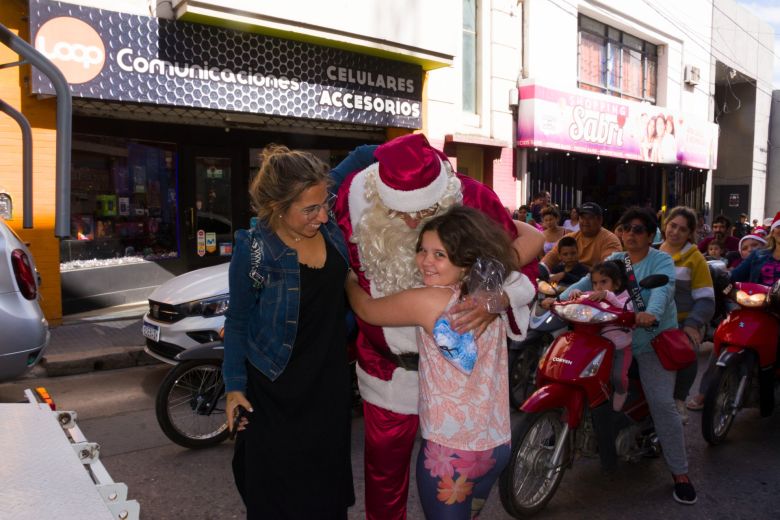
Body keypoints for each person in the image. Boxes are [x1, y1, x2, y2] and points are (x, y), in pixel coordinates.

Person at [330, 133, 542, 520]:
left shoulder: (433, 295)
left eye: (438, 254)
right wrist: (499, 295)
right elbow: (530, 240)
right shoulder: (478, 281)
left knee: (439, 495)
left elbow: (366, 307)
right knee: (389, 479)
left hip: (449, 446)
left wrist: (500, 300)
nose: (412, 221)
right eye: (400, 213)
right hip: (397, 379)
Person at [223, 145, 354, 519]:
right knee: (276, 499)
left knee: (326, 497)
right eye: (310, 209)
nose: (323, 215)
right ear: (278, 207)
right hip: (274, 391)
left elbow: (361, 155)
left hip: (327, 386)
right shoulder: (255, 250)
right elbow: (237, 321)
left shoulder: (329, 232)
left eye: (324, 203)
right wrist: (234, 387)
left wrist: (424, 161)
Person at [561, 206, 697, 505]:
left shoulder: (661, 260)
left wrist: (650, 314)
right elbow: (586, 284)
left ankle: (680, 473)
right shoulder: (614, 260)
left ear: (650, 235)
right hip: (611, 338)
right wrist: (556, 298)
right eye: (625, 228)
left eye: (638, 229)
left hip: (650, 340)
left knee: (662, 405)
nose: (630, 234)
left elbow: (664, 290)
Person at [687, 212, 780, 411]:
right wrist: (720, 276)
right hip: (753, 307)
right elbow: (735, 276)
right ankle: (705, 393)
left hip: (777, 312)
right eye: (778, 228)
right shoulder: (759, 255)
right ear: (773, 232)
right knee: (724, 340)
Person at [658, 206, 714, 425]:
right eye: (673, 226)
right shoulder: (652, 251)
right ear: (665, 225)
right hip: (652, 319)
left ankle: (679, 399)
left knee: (687, 351)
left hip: (682, 321)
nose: (675, 232)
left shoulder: (695, 259)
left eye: (682, 229)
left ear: (689, 233)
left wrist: (692, 324)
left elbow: (706, 300)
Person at [568, 261, 633, 411]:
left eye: (604, 282)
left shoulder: (624, 298)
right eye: (595, 283)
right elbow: (584, 297)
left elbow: (625, 311)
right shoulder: (596, 295)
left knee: (618, 377)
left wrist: (608, 295)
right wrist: (576, 293)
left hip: (621, 348)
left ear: (616, 284)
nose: (599, 287)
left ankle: (622, 392)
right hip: (600, 346)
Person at [541, 202, 622, 270]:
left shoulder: (610, 239)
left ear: (600, 220)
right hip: (566, 281)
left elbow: (608, 270)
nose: (585, 221)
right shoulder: (570, 237)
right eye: (582, 218)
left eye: (590, 218)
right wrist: (542, 268)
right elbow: (551, 257)